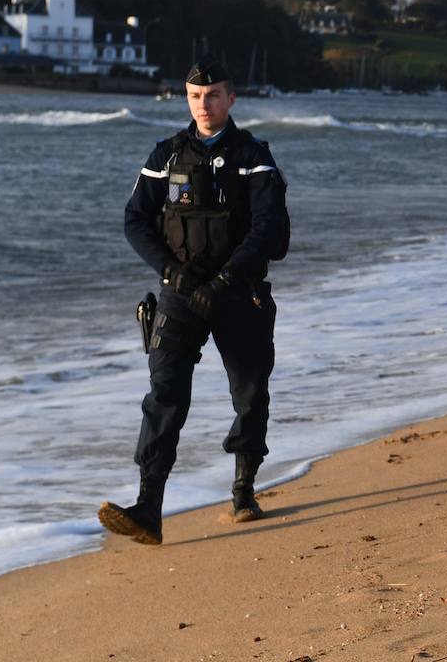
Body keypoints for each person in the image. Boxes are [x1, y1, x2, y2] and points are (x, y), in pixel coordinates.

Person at [98, 58, 289, 545]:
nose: (203, 105)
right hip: (180, 294)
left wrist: (224, 279)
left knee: (250, 393)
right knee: (164, 396)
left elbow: (268, 228)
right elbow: (135, 221)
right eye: (194, 96)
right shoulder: (165, 156)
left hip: (236, 293)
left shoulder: (253, 156)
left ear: (231, 99)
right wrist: (170, 273)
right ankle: (147, 509)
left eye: (213, 96)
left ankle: (244, 490)